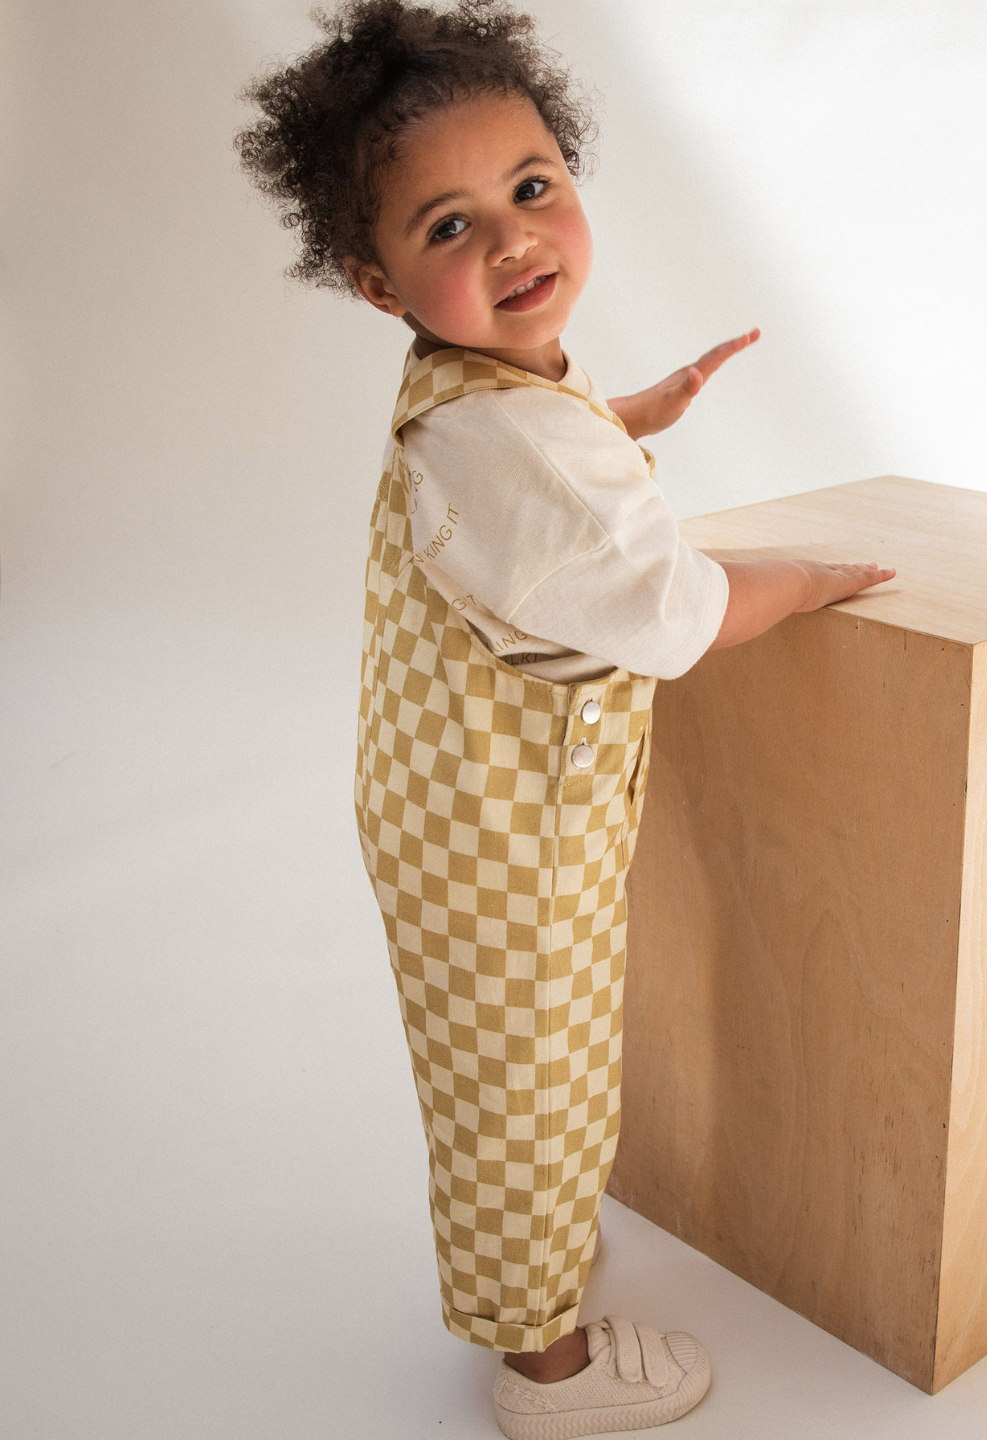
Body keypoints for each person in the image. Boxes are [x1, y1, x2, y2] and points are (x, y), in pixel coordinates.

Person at [236, 3, 895, 1435]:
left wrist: (631, 415)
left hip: (460, 808)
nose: (514, 242)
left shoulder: (485, 385)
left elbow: (540, 464)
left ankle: (532, 1244)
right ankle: (546, 1367)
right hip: (501, 853)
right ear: (375, 278)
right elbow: (674, 611)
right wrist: (802, 577)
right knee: (523, 1094)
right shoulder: (497, 435)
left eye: (533, 188)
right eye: (449, 229)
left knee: (527, 1072)